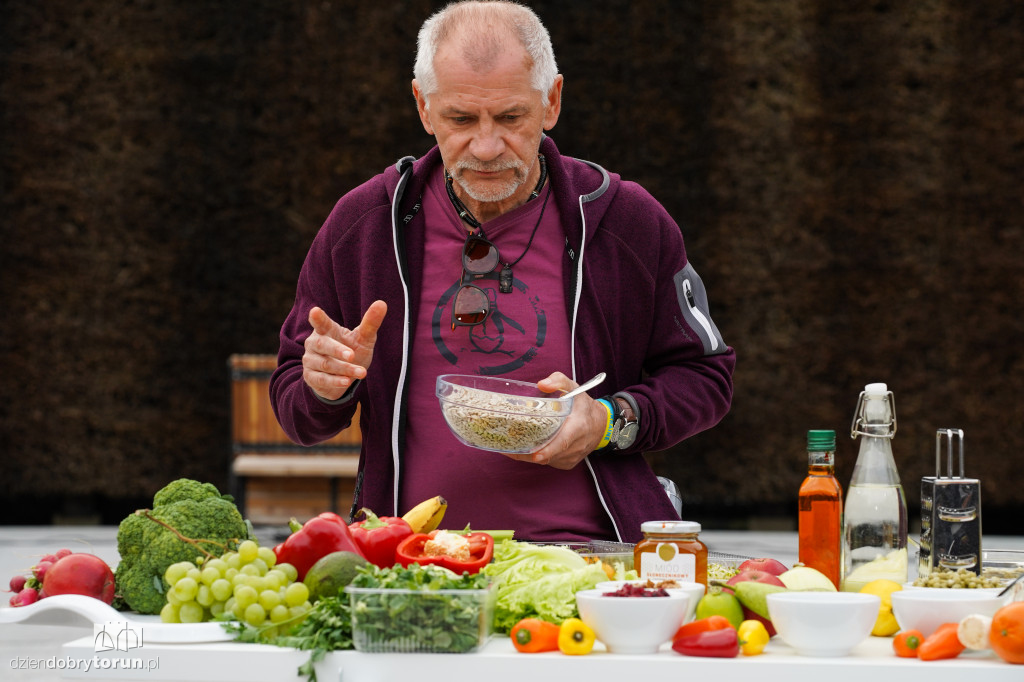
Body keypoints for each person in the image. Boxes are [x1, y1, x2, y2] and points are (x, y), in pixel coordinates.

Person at [270, 0, 735, 543]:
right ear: (423, 107)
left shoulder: (626, 222)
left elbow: (706, 376)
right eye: (461, 119)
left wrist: (611, 420)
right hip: (414, 558)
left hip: (596, 558)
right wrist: (324, 386)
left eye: (511, 118)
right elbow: (296, 410)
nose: (487, 147)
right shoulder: (365, 226)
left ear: (551, 102)